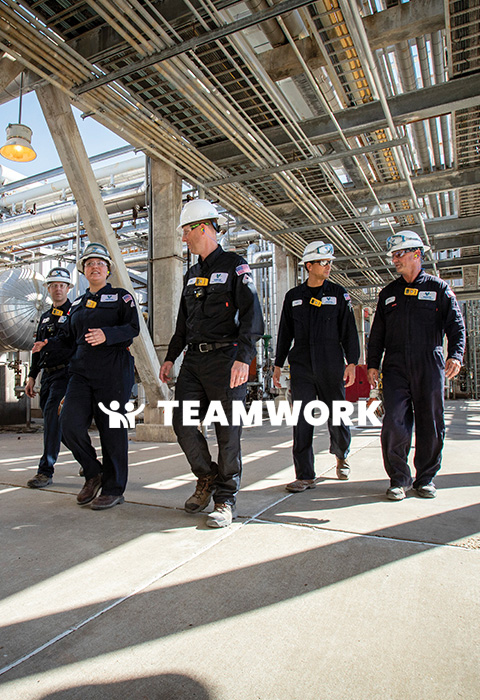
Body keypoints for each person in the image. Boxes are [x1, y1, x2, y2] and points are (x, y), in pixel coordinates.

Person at [159, 199, 264, 528]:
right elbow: (182, 322)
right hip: (194, 360)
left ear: (202, 228)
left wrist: (243, 358)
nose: (184, 239)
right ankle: (206, 477)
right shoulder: (191, 274)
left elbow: (252, 315)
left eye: (186, 231)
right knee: (182, 423)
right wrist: (171, 356)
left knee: (227, 432)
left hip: (226, 359)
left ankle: (224, 499)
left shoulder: (236, 265)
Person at [32, 242, 139, 510]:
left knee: (112, 431)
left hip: (113, 372)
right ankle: (93, 472)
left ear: (108, 270)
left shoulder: (121, 297)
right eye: (89, 263)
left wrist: (108, 335)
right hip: (80, 373)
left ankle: (114, 489)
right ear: (83, 270)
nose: (95, 267)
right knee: (68, 424)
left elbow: (133, 328)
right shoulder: (77, 303)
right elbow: (67, 337)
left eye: (99, 263)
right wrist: (48, 346)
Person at [367, 230, 466, 501]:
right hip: (396, 365)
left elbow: (456, 326)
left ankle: (425, 478)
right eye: (393, 256)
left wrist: (455, 355)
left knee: (430, 422)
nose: (395, 260)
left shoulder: (438, 289)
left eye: (400, 254)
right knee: (393, 421)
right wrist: (373, 364)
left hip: (429, 363)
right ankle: (398, 479)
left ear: (416, 254)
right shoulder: (388, 294)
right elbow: (377, 334)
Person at [272, 241, 360, 492]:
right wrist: (278, 364)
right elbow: (285, 333)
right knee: (301, 421)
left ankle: (341, 455)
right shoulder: (293, 297)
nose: (328, 266)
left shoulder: (339, 294)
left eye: (330, 262)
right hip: (302, 368)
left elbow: (349, 332)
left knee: (338, 416)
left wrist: (352, 363)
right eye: (323, 262)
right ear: (309, 266)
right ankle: (305, 475)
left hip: (331, 365)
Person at [25, 267, 73, 488]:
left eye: (62, 285)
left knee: (53, 419)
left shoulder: (75, 313)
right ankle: (87, 458)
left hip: (66, 374)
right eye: (54, 286)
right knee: (53, 421)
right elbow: (37, 349)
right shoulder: (44, 318)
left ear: (68, 288)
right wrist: (32, 376)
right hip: (48, 376)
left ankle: (45, 470)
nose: (58, 289)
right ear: (48, 289)